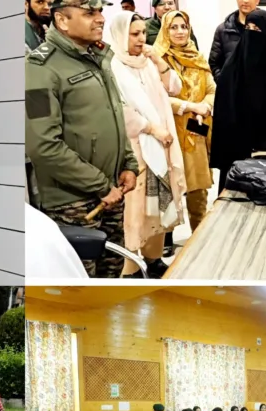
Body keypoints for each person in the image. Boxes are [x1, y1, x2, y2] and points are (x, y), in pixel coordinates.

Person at [25, 0, 139, 279]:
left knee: (110, 279)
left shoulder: (97, 56)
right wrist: (101, 185)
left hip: (109, 193)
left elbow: (113, 115)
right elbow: (43, 146)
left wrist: (128, 162)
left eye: (100, 11)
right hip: (73, 204)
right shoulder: (39, 69)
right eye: (90, 13)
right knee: (79, 283)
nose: (100, 19)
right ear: (62, 20)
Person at [106, 10, 186, 279]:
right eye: (135, 34)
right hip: (135, 149)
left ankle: (153, 260)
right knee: (135, 208)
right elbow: (121, 111)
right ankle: (130, 269)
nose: (141, 39)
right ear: (120, 35)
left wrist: (157, 59)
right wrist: (152, 129)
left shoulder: (148, 61)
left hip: (162, 145)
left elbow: (174, 87)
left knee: (159, 205)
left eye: (143, 33)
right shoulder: (112, 66)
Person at [211, 8, 266, 190]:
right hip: (238, 151)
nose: (252, 33)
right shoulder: (232, 69)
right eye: (248, 28)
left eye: (257, 29)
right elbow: (224, 111)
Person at [155, 10, 216, 229]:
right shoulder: (156, 58)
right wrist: (190, 106)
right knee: (168, 190)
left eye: (184, 26)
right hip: (168, 132)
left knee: (198, 188)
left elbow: (211, 89)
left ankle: (199, 234)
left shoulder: (196, 56)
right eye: (174, 27)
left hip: (195, 131)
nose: (180, 32)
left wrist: (205, 107)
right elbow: (157, 98)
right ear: (165, 30)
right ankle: (166, 239)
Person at [208, 0, 266, 80]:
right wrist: (226, 83)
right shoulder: (223, 29)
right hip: (234, 92)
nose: (246, 1)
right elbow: (214, 63)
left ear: (257, 1)